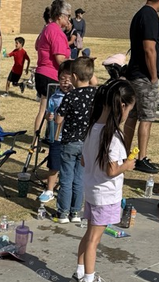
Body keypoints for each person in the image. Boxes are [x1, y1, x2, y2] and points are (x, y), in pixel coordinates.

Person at [65, 80, 136, 282]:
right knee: (95, 239)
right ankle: (88, 281)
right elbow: (111, 170)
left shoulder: (92, 129)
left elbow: (85, 162)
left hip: (92, 190)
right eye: (129, 110)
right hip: (105, 195)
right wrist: (127, 165)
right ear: (122, 106)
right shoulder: (112, 136)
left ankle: (79, 274)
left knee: (89, 235)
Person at [124, 0, 159, 175]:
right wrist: (154, 76)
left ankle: (126, 153)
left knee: (132, 115)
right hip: (144, 75)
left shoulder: (140, 14)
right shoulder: (149, 15)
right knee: (146, 117)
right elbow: (149, 48)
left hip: (135, 74)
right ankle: (142, 158)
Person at [53, 56, 97, 224]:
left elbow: (58, 120)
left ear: (74, 77)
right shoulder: (95, 94)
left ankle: (63, 213)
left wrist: (57, 113)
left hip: (70, 142)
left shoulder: (70, 96)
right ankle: (76, 212)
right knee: (79, 179)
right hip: (87, 143)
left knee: (66, 178)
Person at [33, 1, 72, 135]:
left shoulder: (47, 28)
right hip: (51, 75)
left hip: (42, 73)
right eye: (68, 16)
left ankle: (37, 140)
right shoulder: (56, 31)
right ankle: (53, 139)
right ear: (60, 16)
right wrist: (78, 64)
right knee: (55, 110)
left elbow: (37, 45)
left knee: (44, 109)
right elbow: (60, 59)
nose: (68, 19)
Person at [38, 60, 74, 203]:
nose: (65, 83)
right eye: (62, 79)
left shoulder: (77, 96)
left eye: (69, 79)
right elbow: (48, 114)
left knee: (70, 166)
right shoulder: (54, 97)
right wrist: (49, 116)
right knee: (54, 164)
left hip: (72, 138)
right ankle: (49, 189)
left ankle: (67, 190)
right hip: (56, 136)